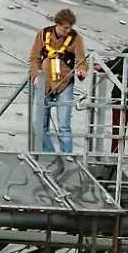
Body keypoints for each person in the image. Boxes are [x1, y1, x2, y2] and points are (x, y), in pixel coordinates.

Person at [28, 9, 88, 154]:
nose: (69, 30)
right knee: (37, 124)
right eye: (66, 27)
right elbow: (34, 58)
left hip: (64, 85)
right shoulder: (43, 34)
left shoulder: (76, 38)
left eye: (71, 27)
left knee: (64, 125)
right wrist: (35, 76)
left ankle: (67, 156)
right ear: (58, 24)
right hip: (44, 84)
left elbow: (81, 60)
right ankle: (48, 154)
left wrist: (82, 70)